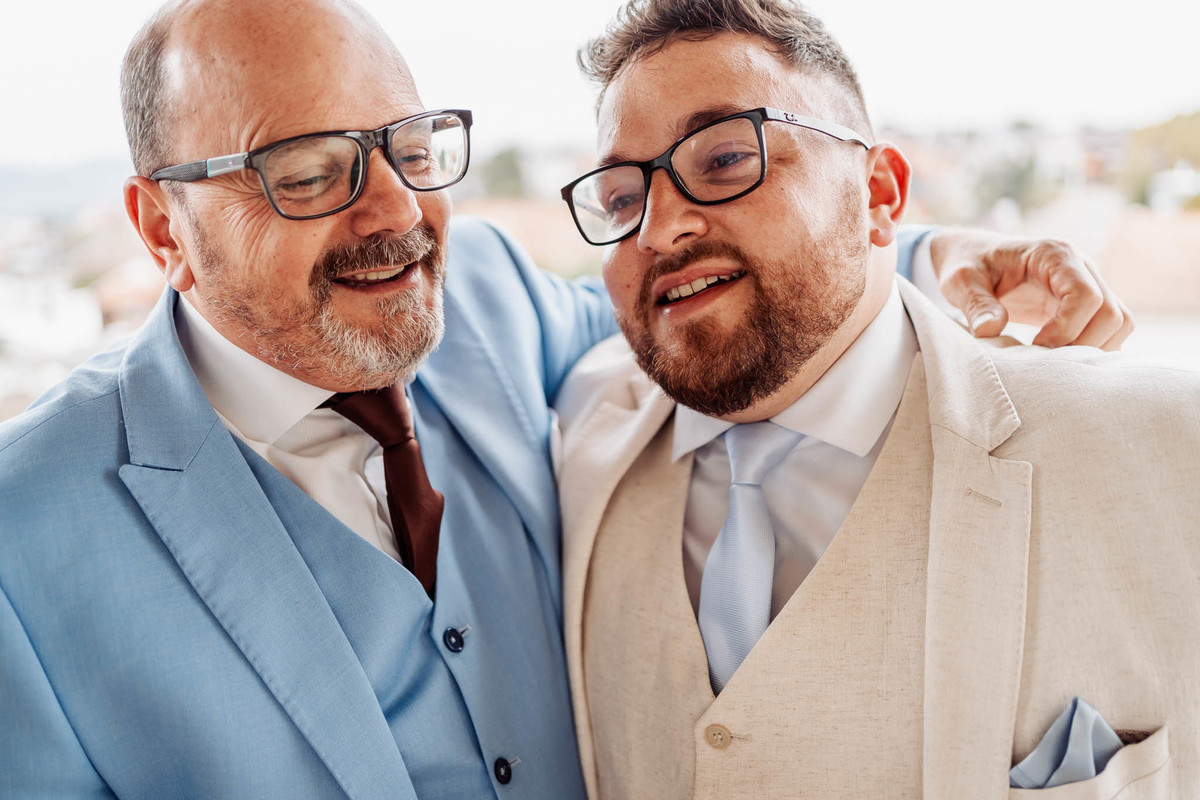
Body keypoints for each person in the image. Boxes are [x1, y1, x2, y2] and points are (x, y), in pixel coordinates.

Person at [0, 0, 1137, 797]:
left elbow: (702, 310)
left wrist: (938, 252)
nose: (394, 212)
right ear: (161, 229)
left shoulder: (486, 295)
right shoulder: (24, 536)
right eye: (306, 172)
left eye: (408, 144)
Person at [553, 0, 1200, 797]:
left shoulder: (1166, 449)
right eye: (622, 200)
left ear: (882, 195)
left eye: (725, 159)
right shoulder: (578, 434)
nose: (660, 227)